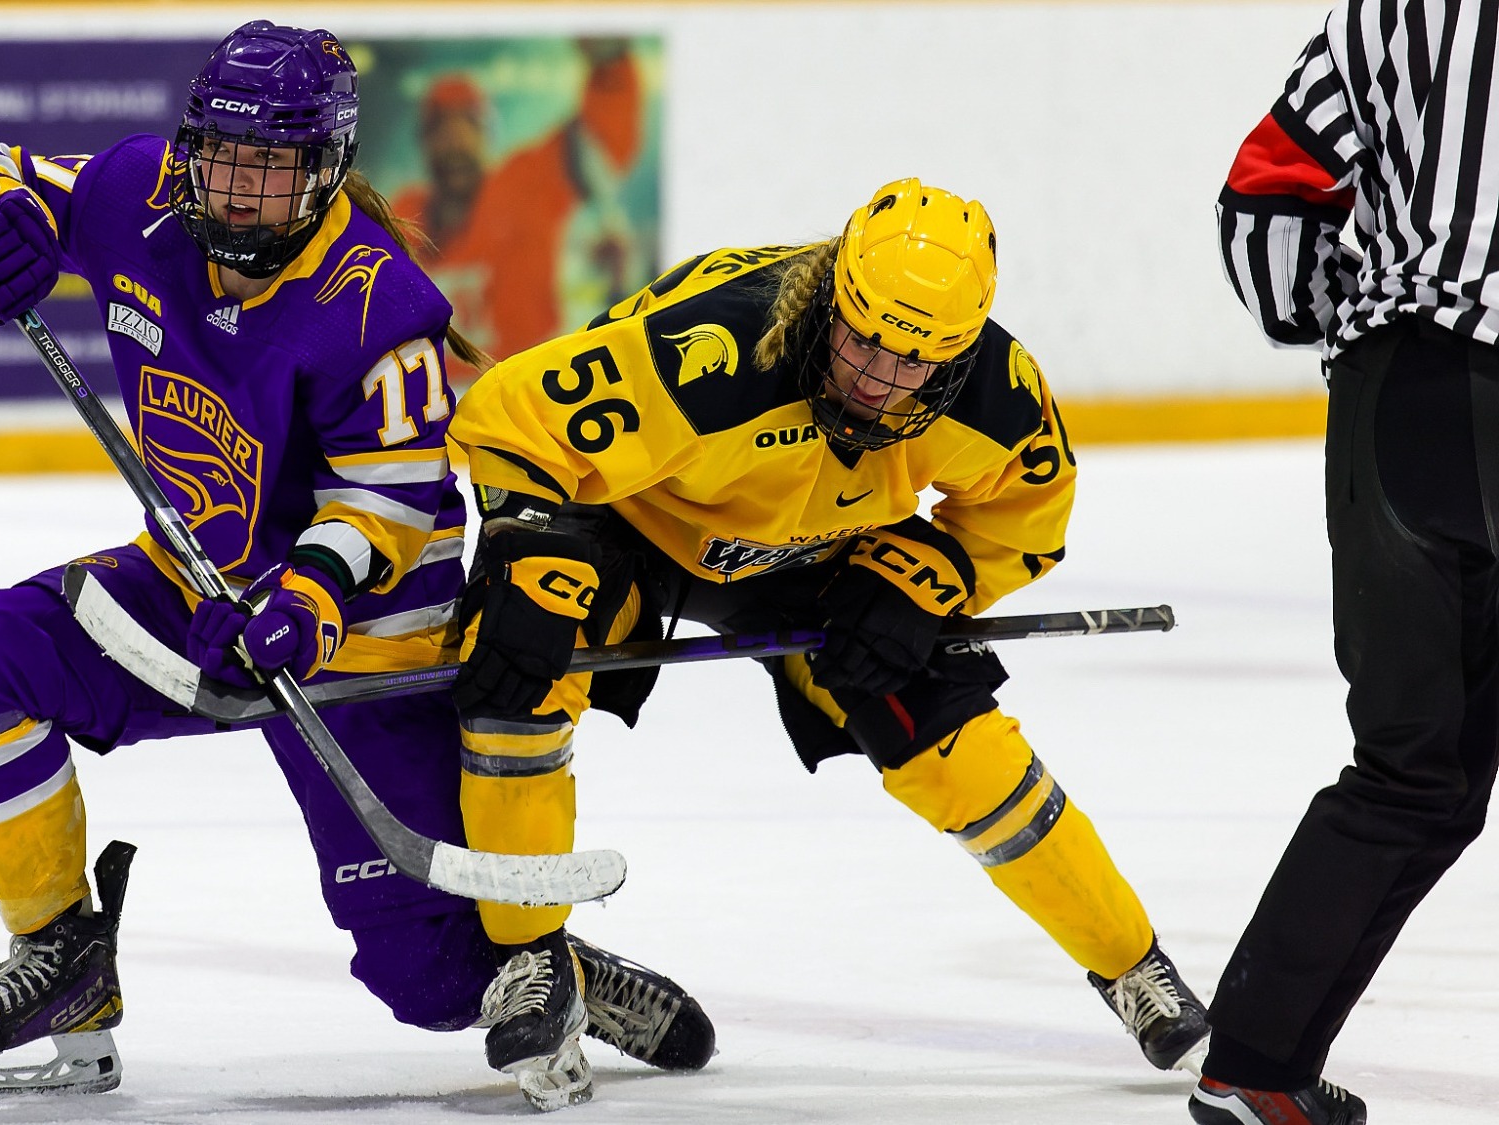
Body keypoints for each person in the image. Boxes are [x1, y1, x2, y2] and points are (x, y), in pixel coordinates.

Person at [0, 21, 711, 1107]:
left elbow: (386, 500)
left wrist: (306, 601)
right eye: (224, 159)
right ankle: (63, 964)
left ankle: (551, 967)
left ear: (324, 171)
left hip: (359, 641)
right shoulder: (141, 194)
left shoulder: (378, 305)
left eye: (271, 170)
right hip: (189, 592)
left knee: (425, 983)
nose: (238, 191)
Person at [447, 178, 1214, 1084]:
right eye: (864, 342)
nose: (879, 381)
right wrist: (532, 553)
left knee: (950, 731)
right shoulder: (716, 349)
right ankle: (535, 957)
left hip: (821, 553)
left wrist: (934, 575)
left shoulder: (997, 392)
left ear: (961, 350)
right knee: (516, 664)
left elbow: (1026, 514)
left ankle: (1134, 966)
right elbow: (508, 415)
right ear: (833, 301)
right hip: (635, 520)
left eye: (915, 363)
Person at [1198, 2, 1499, 1121]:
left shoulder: (1395, 12)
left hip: (1394, 414)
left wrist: (1361, 331)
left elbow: (1264, 204)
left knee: (1409, 772)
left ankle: (1252, 1070)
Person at [390, 40, 644, 377]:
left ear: (487, 136)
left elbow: (603, 143)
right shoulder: (402, 215)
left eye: (467, 127)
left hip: (530, 391)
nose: (453, 143)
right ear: (424, 143)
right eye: (441, 131)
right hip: (439, 406)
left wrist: (610, 61)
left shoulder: (523, 186)